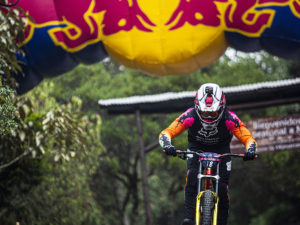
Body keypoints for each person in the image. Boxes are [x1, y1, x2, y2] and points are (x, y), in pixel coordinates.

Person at [159, 83, 257, 225]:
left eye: (213, 113)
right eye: (205, 113)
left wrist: (251, 150)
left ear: (222, 108)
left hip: (221, 149)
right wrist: (167, 145)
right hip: (196, 148)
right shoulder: (190, 115)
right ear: (197, 107)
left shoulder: (229, 118)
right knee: (192, 176)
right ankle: (189, 219)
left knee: (223, 188)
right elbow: (166, 132)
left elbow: (248, 138)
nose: (209, 116)